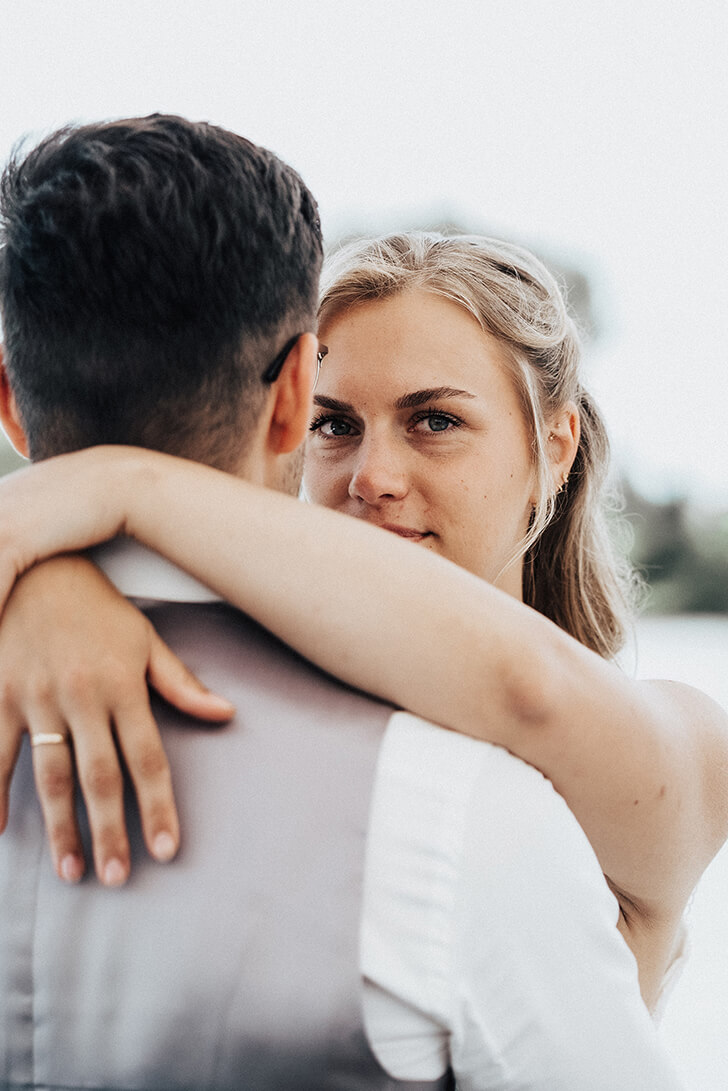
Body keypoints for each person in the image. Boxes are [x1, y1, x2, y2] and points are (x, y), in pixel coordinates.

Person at [0, 116, 685, 1088]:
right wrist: (43, 573)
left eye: (435, 421)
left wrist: (102, 491)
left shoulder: (648, 746)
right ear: (290, 406)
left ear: (555, 445)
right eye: (333, 421)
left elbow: (526, 689)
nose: (372, 476)